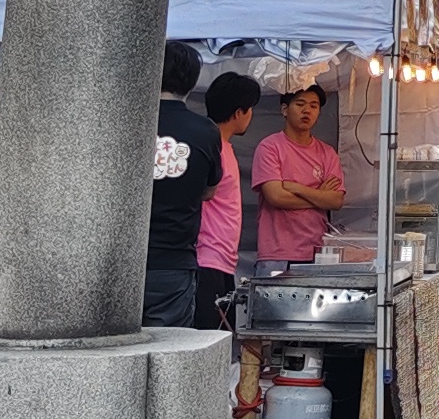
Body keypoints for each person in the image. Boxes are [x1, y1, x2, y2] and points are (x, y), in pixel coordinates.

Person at [143, 41, 224, 329]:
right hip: (173, 259)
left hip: (116, 259)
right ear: (192, 81)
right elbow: (210, 190)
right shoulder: (205, 131)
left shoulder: (126, 123)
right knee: (168, 352)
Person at [249, 82, 349, 263]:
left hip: (318, 252)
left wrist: (297, 188)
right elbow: (276, 197)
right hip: (277, 253)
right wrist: (320, 197)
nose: (307, 111)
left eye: (314, 106)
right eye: (300, 104)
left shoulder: (327, 153)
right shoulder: (270, 147)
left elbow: (336, 200)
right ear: (285, 110)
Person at [193, 73, 263, 328]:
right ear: (238, 112)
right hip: (206, 255)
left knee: (221, 334)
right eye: (250, 109)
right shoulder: (212, 147)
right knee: (209, 335)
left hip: (221, 257)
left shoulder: (223, 146)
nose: (251, 115)